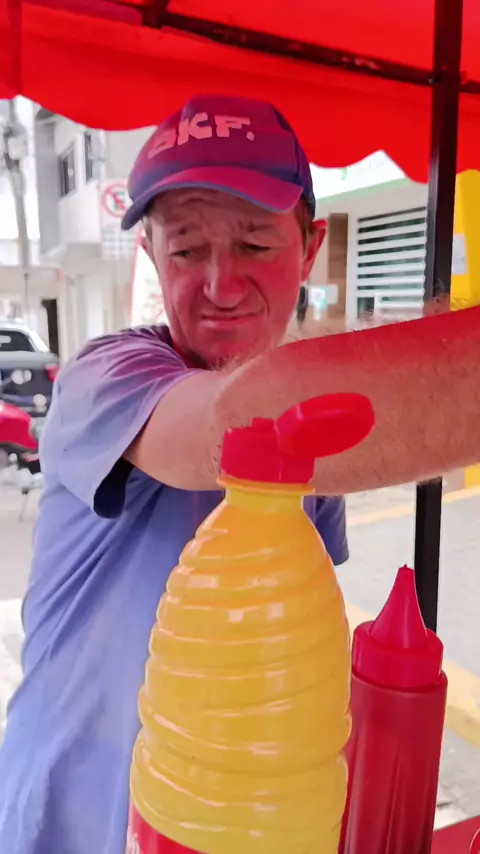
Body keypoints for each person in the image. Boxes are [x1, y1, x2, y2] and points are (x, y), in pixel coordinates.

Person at [1, 92, 480, 854]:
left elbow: (285, 657)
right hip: (64, 828)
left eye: (255, 243)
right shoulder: (105, 378)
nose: (221, 285)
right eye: (186, 250)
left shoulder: (309, 431)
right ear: (151, 254)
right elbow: (243, 426)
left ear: (310, 247)